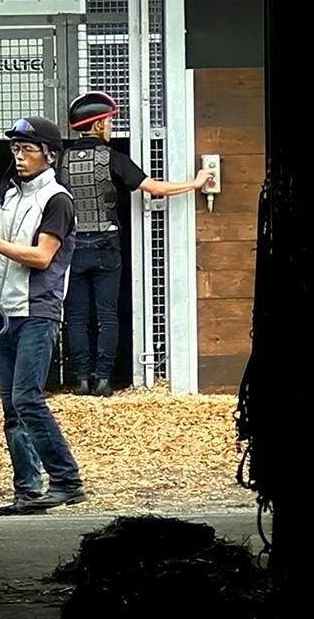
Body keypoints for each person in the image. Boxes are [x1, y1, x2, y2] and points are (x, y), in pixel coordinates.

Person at [0, 115, 86, 516]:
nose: (19, 156)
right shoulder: (10, 196)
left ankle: (66, 479)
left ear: (49, 154)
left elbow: (42, 257)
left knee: (27, 399)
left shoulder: (57, 200)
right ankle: (28, 490)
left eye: (27, 149)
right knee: (12, 406)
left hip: (37, 310)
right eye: (15, 149)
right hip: (5, 309)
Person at [60, 91, 214, 397]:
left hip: (73, 245)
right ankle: (103, 380)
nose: (112, 126)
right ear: (99, 124)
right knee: (106, 315)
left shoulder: (60, 160)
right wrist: (194, 183)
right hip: (106, 243)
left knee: (76, 316)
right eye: (110, 121)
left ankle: (80, 380)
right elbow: (154, 188)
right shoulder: (113, 158)